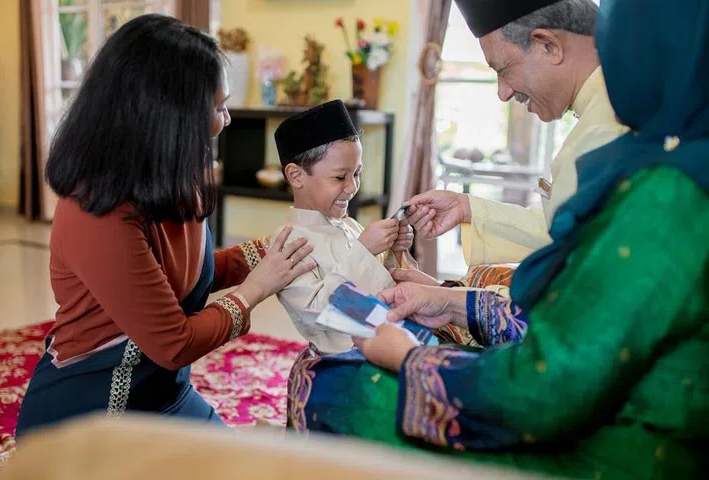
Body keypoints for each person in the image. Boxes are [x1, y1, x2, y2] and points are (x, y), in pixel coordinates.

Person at [287, 0, 709, 477]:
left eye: (503, 70)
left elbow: (549, 383)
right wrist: (453, 301)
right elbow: (586, 295)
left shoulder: (666, 192)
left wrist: (412, 360)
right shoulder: (678, 155)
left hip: (622, 446)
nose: (503, 93)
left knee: (326, 381)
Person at [15, 15, 316, 438]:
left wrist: (272, 249)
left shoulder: (172, 179)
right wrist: (257, 289)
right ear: (169, 115)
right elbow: (174, 343)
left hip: (163, 396)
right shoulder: (95, 210)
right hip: (94, 416)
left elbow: (181, 278)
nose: (226, 119)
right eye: (217, 107)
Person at [408, 0, 627, 269]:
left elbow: (578, 260)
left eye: (503, 70)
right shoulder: (606, 105)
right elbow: (562, 229)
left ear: (549, 46)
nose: (503, 93)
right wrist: (466, 208)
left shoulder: (612, 126)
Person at [271, 100, 414, 354]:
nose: (352, 187)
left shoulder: (349, 225)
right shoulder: (289, 244)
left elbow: (381, 285)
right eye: (340, 177)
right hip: (343, 360)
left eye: (356, 174)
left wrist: (395, 251)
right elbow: (316, 315)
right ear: (296, 176)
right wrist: (364, 250)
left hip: (386, 341)